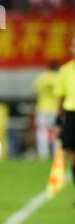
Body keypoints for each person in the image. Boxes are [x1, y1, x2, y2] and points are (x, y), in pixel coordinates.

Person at [54, 37, 75, 206]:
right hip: (71, 114)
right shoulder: (65, 70)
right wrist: (58, 121)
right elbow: (60, 97)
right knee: (72, 155)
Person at [33, 61, 59, 160]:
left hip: (43, 108)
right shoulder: (59, 77)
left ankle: (43, 154)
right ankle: (57, 154)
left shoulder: (42, 77)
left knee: (42, 131)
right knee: (56, 132)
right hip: (55, 109)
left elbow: (35, 93)